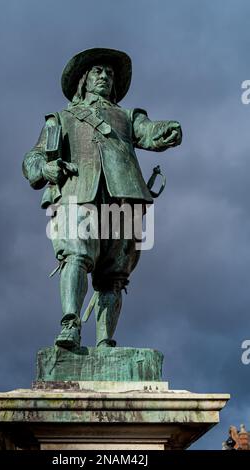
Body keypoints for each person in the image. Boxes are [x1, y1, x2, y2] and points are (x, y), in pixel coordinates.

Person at [22, 48, 182, 349]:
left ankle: (105, 341)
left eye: (109, 74)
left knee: (114, 275)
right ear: (84, 79)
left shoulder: (127, 116)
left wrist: (165, 130)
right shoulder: (61, 118)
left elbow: (148, 132)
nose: (105, 77)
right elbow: (33, 157)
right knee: (76, 256)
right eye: (98, 71)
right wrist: (45, 167)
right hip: (78, 194)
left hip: (123, 196)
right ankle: (70, 324)